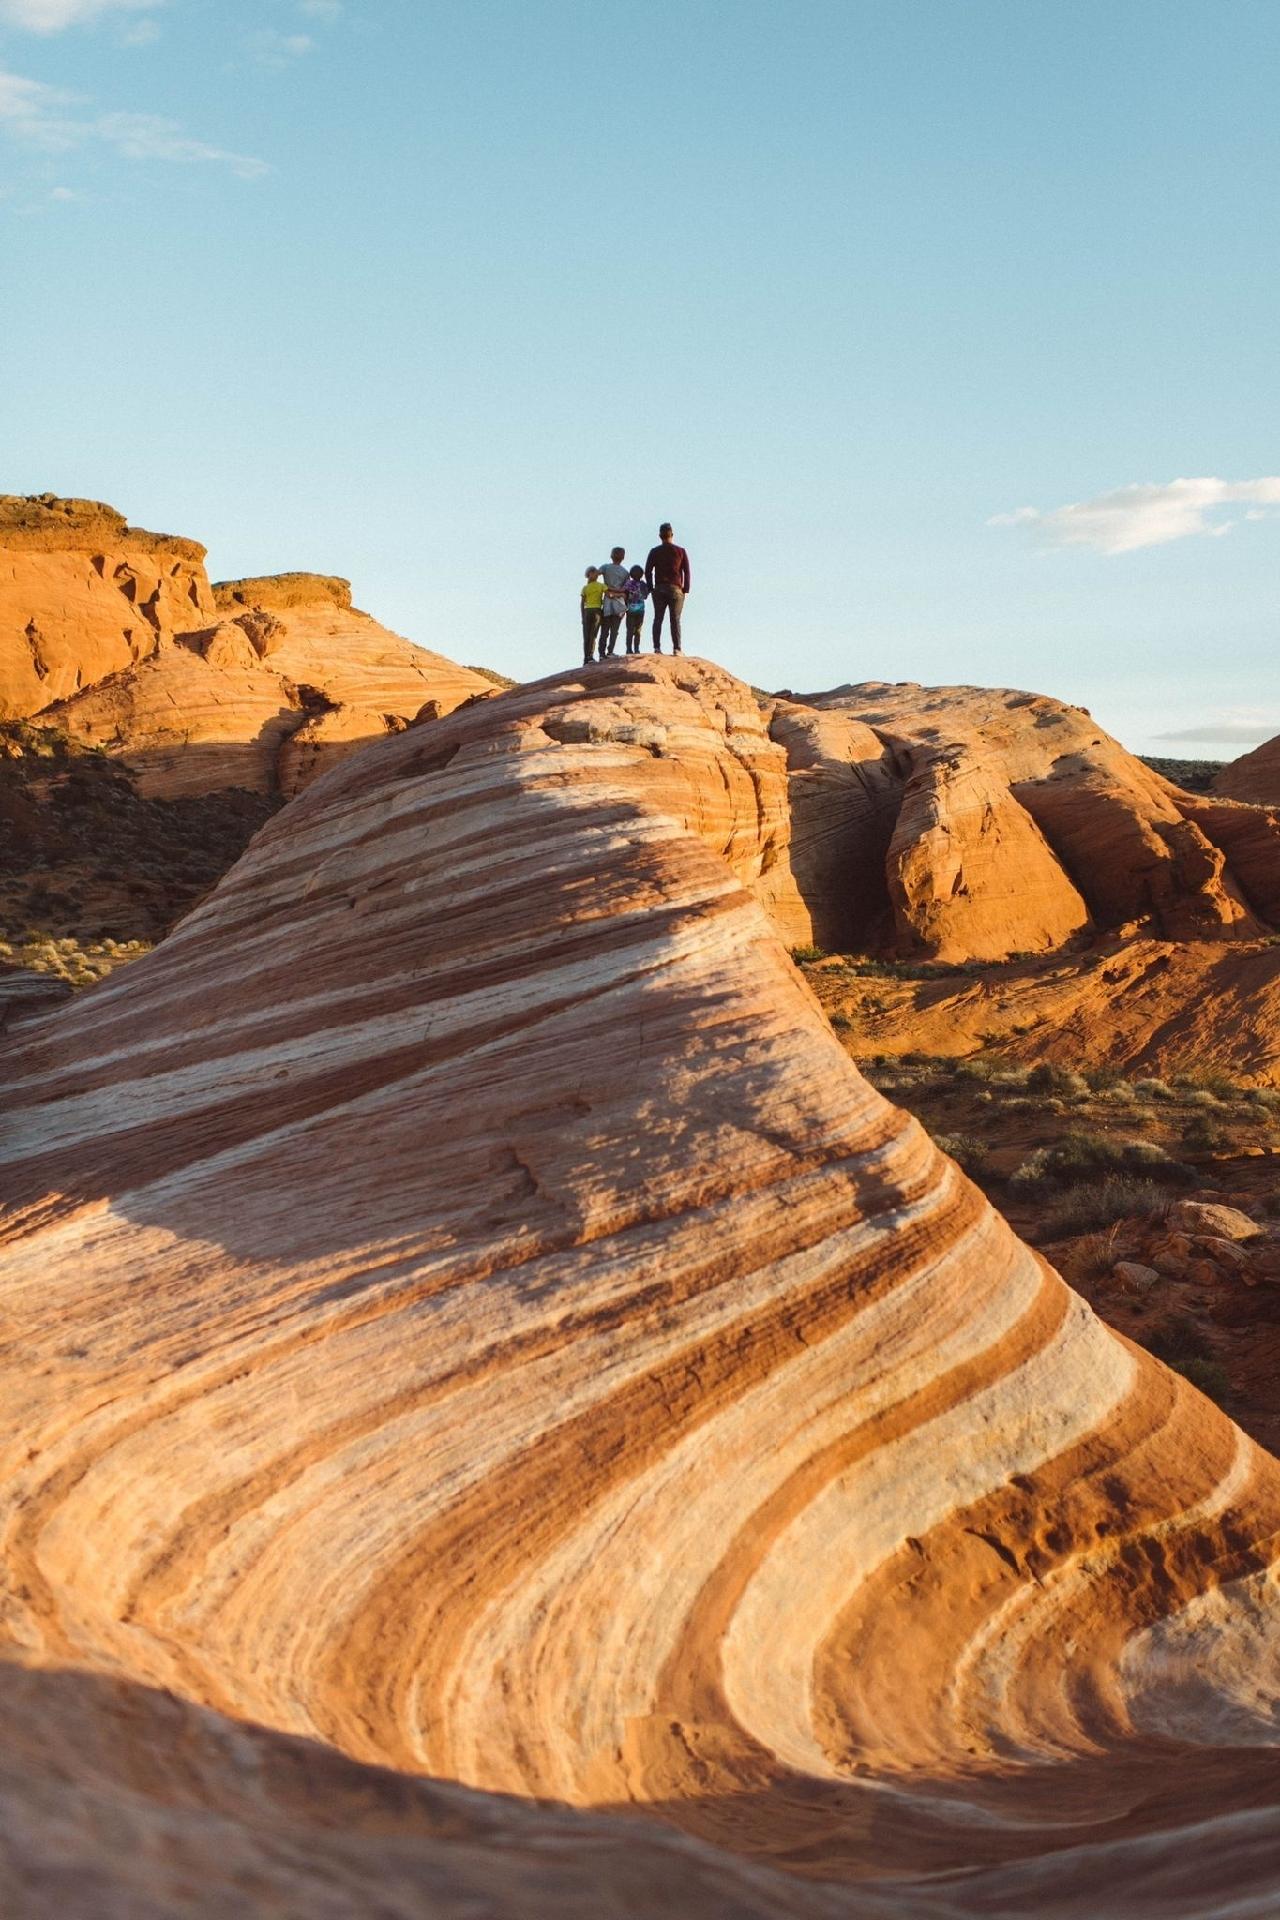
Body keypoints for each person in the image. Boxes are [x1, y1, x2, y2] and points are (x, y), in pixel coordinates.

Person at [644, 522, 691, 654]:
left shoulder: (654, 551)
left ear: (660, 536)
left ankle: (657, 648)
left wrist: (650, 587)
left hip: (659, 588)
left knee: (658, 618)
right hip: (676, 588)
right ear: (672, 535)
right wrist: (685, 589)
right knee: (675, 619)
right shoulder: (681, 551)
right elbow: (686, 571)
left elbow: (647, 570)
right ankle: (677, 648)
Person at [598, 546, 629, 658]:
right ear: (623, 557)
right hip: (619, 602)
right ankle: (610, 651)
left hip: (607, 600)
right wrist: (619, 592)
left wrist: (605, 588)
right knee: (614, 629)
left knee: (605, 628)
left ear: (611, 555)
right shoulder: (625, 572)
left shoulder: (606, 567)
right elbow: (626, 589)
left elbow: (596, 574)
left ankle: (601, 654)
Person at [580, 565, 605, 662]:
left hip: (589, 611)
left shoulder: (588, 587)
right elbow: (582, 602)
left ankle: (588, 657)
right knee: (591, 635)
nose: (597, 575)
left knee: (589, 635)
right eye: (595, 573)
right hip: (595, 611)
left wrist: (583, 615)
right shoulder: (598, 586)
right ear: (590, 574)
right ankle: (588, 657)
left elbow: (582, 603)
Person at [623, 565, 650, 653]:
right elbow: (645, 596)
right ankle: (636, 649)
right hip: (640, 610)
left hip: (630, 609)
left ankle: (628, 649)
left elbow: (625, 595)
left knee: (630, 630)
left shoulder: (628, 583)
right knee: (638, 630)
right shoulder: (643, 584)